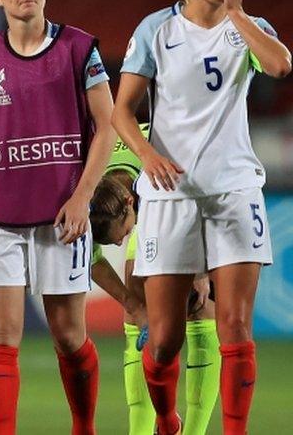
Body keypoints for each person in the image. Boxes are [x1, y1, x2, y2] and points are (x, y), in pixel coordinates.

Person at [112, 0, 290, 435]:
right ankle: (166, 421)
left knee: (234, 326)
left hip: (235, 191)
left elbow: (280, 66)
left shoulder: (250, 25)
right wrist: (146, 155)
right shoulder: (156, 30)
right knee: (165, 338)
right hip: (171, 196)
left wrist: (236, 13)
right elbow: (123, 110)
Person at [0, 0, 117, 435]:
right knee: (0, 339)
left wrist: (82, 197)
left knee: (69, 337)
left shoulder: (78, 49)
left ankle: (83, 427)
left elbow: (106, 128)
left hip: (59, 220)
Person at [88, 123, 221, 435]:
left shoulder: (161, 154)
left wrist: (200, 270)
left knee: (199, 305)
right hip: (157, 199)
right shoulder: (90, 181)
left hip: (192, 199)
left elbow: (201, 191)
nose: (120, 244)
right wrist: (134, 305)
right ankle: (151, 427)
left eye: (119, 235)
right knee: (138, 309)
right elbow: (91, 259)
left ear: (129, 204)